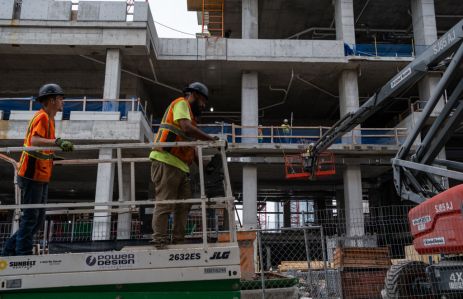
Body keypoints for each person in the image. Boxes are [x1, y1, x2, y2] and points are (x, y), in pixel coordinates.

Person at [2, 83, 74, 256]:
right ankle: (22, 254)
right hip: (31, 175)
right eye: (60, 98)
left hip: (41, 175)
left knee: (37, 219)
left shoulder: (49, 119)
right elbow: (34, 141)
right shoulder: (41, 117)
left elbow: (40, 145)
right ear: (51, 100)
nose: (62, 101)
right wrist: (57, 142)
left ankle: (9, 251)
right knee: (30, 218)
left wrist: (51, 156)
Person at [149, 82, 217, 249]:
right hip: (166, 160)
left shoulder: (192, 120)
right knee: (165, 203)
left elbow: (191, 148)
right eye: (202, 102)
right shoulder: (181, 103)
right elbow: (185, 129)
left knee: (184, 205)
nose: (203, 106)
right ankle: (159, 241)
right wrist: (211, 140)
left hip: (181, 167)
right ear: (194, 95)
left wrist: (204, 166)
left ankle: (178, 240)